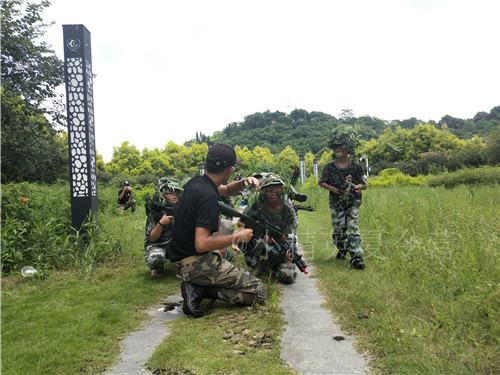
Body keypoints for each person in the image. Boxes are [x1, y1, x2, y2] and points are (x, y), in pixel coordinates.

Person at [169, 143, 266, 318]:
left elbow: (227, 190)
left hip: (180, 258)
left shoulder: (197, 183)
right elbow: (202, 243)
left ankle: (198, 286)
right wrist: (236, 237)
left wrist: (244, 182)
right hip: (195, 263)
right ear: (230, 170)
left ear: (206, 164)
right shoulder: (208, 196)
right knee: (258, 291)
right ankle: (200, 291)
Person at [318, 143, 368, 270]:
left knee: (353, 227)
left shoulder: (356, 166)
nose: (337, 149)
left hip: (353, 202)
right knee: (338, 230)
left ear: (348, 149)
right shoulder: (329, 167)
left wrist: (356, 187)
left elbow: (365, 184)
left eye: (341, 146)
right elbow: (321, 182)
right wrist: (332, 189)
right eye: (335, 147)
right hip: (336, 204)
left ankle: (357, 257)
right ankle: (343, 248)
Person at [241, 176, 298, 284]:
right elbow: (242, 222)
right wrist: (262, 235)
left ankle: (275, 263)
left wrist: (290, 251)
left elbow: (292, 232)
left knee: (287, 277)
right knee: (258, 271)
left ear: (281, 190)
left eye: (277, 189)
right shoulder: (256, 203)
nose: (273, 192)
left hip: (281, 243)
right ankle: (262, 261)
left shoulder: (287, 207)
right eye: (269, 189)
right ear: (262, 190)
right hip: (261, 242)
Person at [144, 178, 183, 277]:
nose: (174, 195)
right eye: (170, 192)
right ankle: (158, 269)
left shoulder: (183, 209)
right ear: (162, 195)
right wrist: (161, 223)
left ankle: (179, 266)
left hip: (176, 244)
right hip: (158, 244)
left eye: (176, 192)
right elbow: (152, 238)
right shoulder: (156, 212)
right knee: (156, 259)